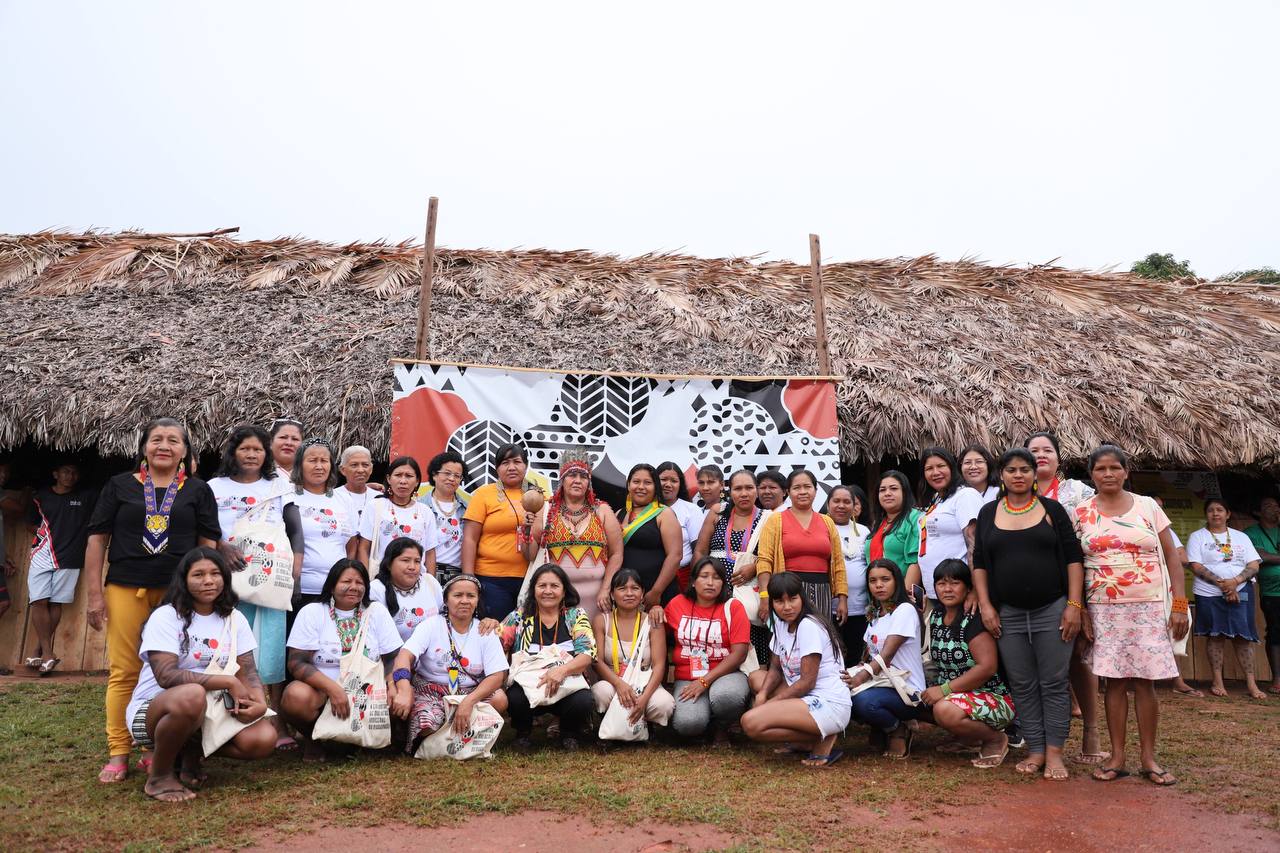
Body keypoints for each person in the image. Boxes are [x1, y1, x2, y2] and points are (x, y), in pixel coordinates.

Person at [85, 417, 221, 784]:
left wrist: (205, 591)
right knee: (125, 671)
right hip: (125, 587)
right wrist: (95, 594)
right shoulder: (119, 486)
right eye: (156, 439)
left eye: (173, 440)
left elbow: (207, 546)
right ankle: (118, 752)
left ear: (185, 450)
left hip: (178, 596)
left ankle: (152, 750)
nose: (164, 445)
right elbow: (97, 538)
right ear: (144, 446)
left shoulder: (197, 490)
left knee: (169, 674)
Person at [1073, 445, 1191, 786]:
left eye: (1114, 468)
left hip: (1149, 606)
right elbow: (1076, 565)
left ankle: (1149, 758)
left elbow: (1172, 557)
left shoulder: (1148, 506)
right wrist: (1081, 611)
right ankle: (1117, 757)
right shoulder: (1080, 512)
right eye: (1100, 469)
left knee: (1145, 681)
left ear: (1126, 471)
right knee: (1114, 681)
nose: (1108, 474)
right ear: (1092, 475)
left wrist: (1180, 605)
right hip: (1103, 609)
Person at [124, 548, 275, 802]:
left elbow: (248, 671)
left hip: (211, 710)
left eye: (215, 573)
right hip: (154, 711)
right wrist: (227, 681)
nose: (208, 581)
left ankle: (190, 754)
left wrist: (260, 702)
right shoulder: (166, 616)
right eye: (199, 574)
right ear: (183, 579)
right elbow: (166, 676)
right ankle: (159, 776)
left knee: (263, 738)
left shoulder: (235, 618)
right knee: (192, 696)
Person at [972, 448, 1084, 780]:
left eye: (1024, 469)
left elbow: (1073, 559)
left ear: (1035, 473)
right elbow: (979, 563)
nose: (1018, 475)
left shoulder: (1052, 510)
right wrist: (987, 606)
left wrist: (1073, 605)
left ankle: (1054, 754)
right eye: (1011, 470)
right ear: (1001, 475)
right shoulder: (989, 512)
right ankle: (1035, 749)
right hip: (1008, 614)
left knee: (1053, 682)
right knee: (1021, 683)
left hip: (1052, 609)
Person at [207, 425, 304, 748]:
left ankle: (276, 721)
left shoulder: (279, 487)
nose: (251, 454)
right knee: (232, 647)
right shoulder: (214, 487)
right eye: (245, 448)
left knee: (272, 647)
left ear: (267, 455)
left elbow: (295, 532)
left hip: (269, 580)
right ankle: (234, 716)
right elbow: (203, 528)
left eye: (258, 450)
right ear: (233, 451)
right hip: (225, 579)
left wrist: (295, 574)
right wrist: (222, 548)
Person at [281, 558, 403, 761]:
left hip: (368, 690)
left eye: (360, 582)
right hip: (324, 692)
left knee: (399, 695)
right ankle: (315, 740)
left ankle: (357, 742)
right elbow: (296, 663)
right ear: (332, 585)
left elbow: (392, 657)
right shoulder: (312, 613)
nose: (354, 587)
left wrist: (392, 684)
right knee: (295, 696)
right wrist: (333, 689)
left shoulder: (376, 612)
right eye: (346, 581)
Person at [1026, 431, 1101, 742]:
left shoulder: (1078, 492)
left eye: (1047, 450)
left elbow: (1091, 538)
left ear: (1059, 457)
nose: (1041, 455)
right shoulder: (1015, 491)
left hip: (1072, 582)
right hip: (1029, 586)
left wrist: (1079, 600)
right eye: (1034, 451)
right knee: (1036, 658)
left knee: (1078, 655)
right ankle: (1040, 731)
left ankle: (1091, 729)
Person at [389, 574, 510, 754]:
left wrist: (469, 702)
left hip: (470, 691)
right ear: (446, 599)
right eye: (457, 595)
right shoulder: (430, 626)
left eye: (471, 596)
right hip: (431, 690)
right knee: (426, 727)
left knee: (499, 699)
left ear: (477, 601)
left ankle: (450, 735)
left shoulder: (485, 631)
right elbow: (404, 657)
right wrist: (405, 689)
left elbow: (497, 676)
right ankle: (452, 735)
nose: (464, 601)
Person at [742, 572, 850, 767]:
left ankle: (823, 735)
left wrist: (770, 704)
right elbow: (775, 667)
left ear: (802, 598)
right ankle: (806, 740)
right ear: (772, 603)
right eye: (779, 601)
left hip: (827, 701)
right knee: (757, 678)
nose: (787, 607)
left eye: (792, 599)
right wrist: (762, 695)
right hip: (803, 695)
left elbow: (808, 682)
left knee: (751, 723)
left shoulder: (808, 625)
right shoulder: (781, 624)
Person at [920, 559, 1015, 768]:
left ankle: (995, 739)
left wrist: (944, 690)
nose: (947, 589)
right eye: (941, 583)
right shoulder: (936, 616)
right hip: (956, 694)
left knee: (944, 711)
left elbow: (987, 667)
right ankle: (967, 738)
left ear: (968, 588)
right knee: (910, 699)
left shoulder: (974, 618)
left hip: (992, 697)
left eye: (955, 583)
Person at [499, 564, 597, 750]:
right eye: (542, 585)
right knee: (514, 697)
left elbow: (587, 654)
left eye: (554, 586)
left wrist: (561, 671)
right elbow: (497, 643)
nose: (548, 591)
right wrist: (490, 625)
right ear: (533, 589)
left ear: (564, 590)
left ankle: (569, 733)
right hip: (529, 686)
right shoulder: (519, 617)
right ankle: (523, 734)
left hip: (566, 684)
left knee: (583, 700)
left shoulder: (576, 616)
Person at [842, 558, 925, 758]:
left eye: (885, 579)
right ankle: (882, 726)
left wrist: (860, 677)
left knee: (863, 702)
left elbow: (886, 655)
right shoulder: (875, 613)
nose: (879, 585)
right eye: (873, 581)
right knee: (840, 691)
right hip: (881, 682)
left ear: (896, 580)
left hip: (906, 689)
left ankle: (897, 729)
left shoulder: (904, 610)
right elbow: (870, 652)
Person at [664, 557, 751, 746]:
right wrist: (655, 610)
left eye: (717, 578)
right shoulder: (677, 604)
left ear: (723, 583)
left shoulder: (733, 607)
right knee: (688, 724)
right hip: (688, 677)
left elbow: (739, 653)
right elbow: (657, 636)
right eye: (704, 576)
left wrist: (705, 681)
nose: (710, 582)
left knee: (727, 697)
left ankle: (721, 726)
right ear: (693, 582)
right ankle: (704, 724)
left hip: (725, 674)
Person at [1186, 497, 1267, 700]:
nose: (1215, 514)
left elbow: (1254, 564)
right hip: (1209, 592)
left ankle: (1251, 683)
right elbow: (1195, 565)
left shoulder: (1241, 537)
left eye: (1220, 510)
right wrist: (1224, 586)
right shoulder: (1198, 537)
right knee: (1216, 636)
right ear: (1206, 514)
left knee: (1243, 637)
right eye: (1211, 510)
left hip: (1242, 590)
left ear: (1228, 514)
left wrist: (1236, 581)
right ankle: (1217, 681)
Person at [528, 451, 623, 619]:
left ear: (589, 482)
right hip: (555, 599)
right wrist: (526, 530)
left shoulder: (602, 511)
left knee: (591, 643)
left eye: (583, 476)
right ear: (562, 480)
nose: (578, 480)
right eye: (572, 475)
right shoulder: (546, 510)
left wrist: (606, 589)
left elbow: (617, 553)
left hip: (596, 599)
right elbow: (530, 555)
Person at [24, 460, 96, 674]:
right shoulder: (41, 497)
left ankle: (39, 650)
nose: (70, 476)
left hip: (71, 556)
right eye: (66, 471)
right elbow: (30, 522)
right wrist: (44, 535)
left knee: (56, 603)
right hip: (42, 553)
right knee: (38, 600)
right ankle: (48, 654)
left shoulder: (86, 497)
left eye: (74, 472)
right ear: (55, 474)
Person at [695, 469, 772, 667]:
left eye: (749, 488)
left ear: (756, 491)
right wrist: (697, 585)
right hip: (716, 588)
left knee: (752, 644)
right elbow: (701, 551)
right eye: (738, 488)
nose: (744, 493)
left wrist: (754, 568)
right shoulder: (718, 512)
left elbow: (772, 556)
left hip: (750, 590)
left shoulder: (769, 518)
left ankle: (755, 685)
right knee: (719, 635)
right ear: (729, 491)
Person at [754, 470, 847, 627]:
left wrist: (842, 599)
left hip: (821, 592)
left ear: (816, 491)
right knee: (788, 642)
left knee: (819, 640)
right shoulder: (775, 520)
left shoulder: (827, 522)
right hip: (786, 593)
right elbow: (764, 561)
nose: (803, 492)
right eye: (797, 488)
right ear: (788, 492)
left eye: (807, 487)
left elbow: (838, 562)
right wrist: (764, 596)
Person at [591, 569, 675, 732]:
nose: (629, 593)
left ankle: (646, 726)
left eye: (635, 588)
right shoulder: (602, 620)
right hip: (614, 684)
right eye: (622, 588)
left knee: (664, 704)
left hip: (644, 685)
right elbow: (597, 661)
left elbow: (659, 665)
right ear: (612, 594)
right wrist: (619, 684)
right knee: (600, 691)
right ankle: (607, 724)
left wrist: (644, 698)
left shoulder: (652, 620)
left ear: (642, 593)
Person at [463, 443, 536, 620]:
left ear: (525, 466)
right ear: (497, 469)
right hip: (490, 579)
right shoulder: (483, 494)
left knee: (523, 635)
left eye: (517, 462)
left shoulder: (537, 495)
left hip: (529, 579)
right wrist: (468, 578)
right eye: (505, 463)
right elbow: (470, 538)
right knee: (494, 633)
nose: (511, 467)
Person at [285, 439, 358, 611]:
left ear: (331, 465)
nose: (319, 466)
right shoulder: (288, 496)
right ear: (300, 465)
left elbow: (352, 544)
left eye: (324, 461)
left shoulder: (344, 500)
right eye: (312, 460)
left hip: (336, 591)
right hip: (298, 591)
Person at [1151, 495, 1204, 698]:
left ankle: (1177, 679)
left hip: (1166, 583)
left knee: (1177, 623)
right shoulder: (1132, 526)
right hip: (1139, 584)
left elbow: (1182, 557)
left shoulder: (1167, 531)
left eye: (1161, 507)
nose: (1158, 510)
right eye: (1155, 507)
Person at [917, 447, 983, 606]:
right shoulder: (937, 499)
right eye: (929, 468)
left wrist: (975, 590)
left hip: (960, 590)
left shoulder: (965, 495)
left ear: (952, 468)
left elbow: (975, 545)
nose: (935, 472)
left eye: (941, 466)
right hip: (938, 591)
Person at [356, 456, 438, 576]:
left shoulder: (425, 511)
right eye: (398, 475)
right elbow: (363, 548)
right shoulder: (375, 506)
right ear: (389, 479)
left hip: (416, 580)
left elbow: (430, 552)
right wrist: (365, 581)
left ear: (417, 481)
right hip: (382, 579)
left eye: (409, 476)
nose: (403, 481)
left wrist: (430, 583)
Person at [617, 463, 683, 607]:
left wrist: (656, 592)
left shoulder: (664, 513)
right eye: (636, 482)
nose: (641, 487)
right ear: (628, 485)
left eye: (647, 482)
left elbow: (675, 556)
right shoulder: (619, 514)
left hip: (657, 594)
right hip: (625, 595)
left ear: (655, 487)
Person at [828, 484, 871, 665]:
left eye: (847, 502)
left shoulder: (863, 531)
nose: (841, 505)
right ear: (828, 505)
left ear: (854, 506)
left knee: (855, 655)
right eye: (836, 501)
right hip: (830, 606)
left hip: (860, 607)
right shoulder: (823, 527)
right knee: (834, 655)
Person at [370, 537, 444, 642]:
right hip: (394, 656)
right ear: (389, 564)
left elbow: (445, 618)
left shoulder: (429, 582)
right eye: (405, 560)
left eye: (417, 561)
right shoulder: (376, 590)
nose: (412, 567)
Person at [1244, 496, 1280, 694]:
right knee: (1275, 632)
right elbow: (1260, 557)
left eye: (1276, 505)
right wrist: (1269, 557)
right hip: (1273, 591)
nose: (1274, 509)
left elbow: (1269, 556)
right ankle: (1277, 679)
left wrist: (1272, 557)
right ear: (1258, 512)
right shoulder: (1252, 532)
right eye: (1268, 506)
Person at [866, 471, 922, 595]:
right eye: (882, 490)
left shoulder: (915, 518)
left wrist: (904, 599)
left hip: (901, 595)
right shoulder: (878, 523)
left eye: (894, 488)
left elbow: (915, 562)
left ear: (905, 492)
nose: (887, 493)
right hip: (878, 595)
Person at [421, 451, 468, 584]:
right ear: (434, 475)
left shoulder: (467, 508)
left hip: (456, 576)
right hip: (424, 572)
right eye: (447, 473)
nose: (452, 479)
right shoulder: (420, 506)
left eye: (457, 476)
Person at [656, 460, 704, 591]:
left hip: (682, 577)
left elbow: (699, 549)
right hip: (651, 575)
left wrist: (694, 580)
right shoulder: (646, 509)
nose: (668, 484)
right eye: (663, 479)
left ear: (680, 484)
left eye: (674, 481)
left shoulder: (691, 510)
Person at [334, 445, 376, 530]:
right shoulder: (334, 496)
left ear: (371, 469)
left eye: (365, 465)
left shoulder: (379, 498)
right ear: (342, 470)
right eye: (354, 465)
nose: (360, 470)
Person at [268, 418, 304, 482]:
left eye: (295, 439)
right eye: (283, 437)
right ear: (271, 442)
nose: (289, 443)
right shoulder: (256, 474)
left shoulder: (309, 478)